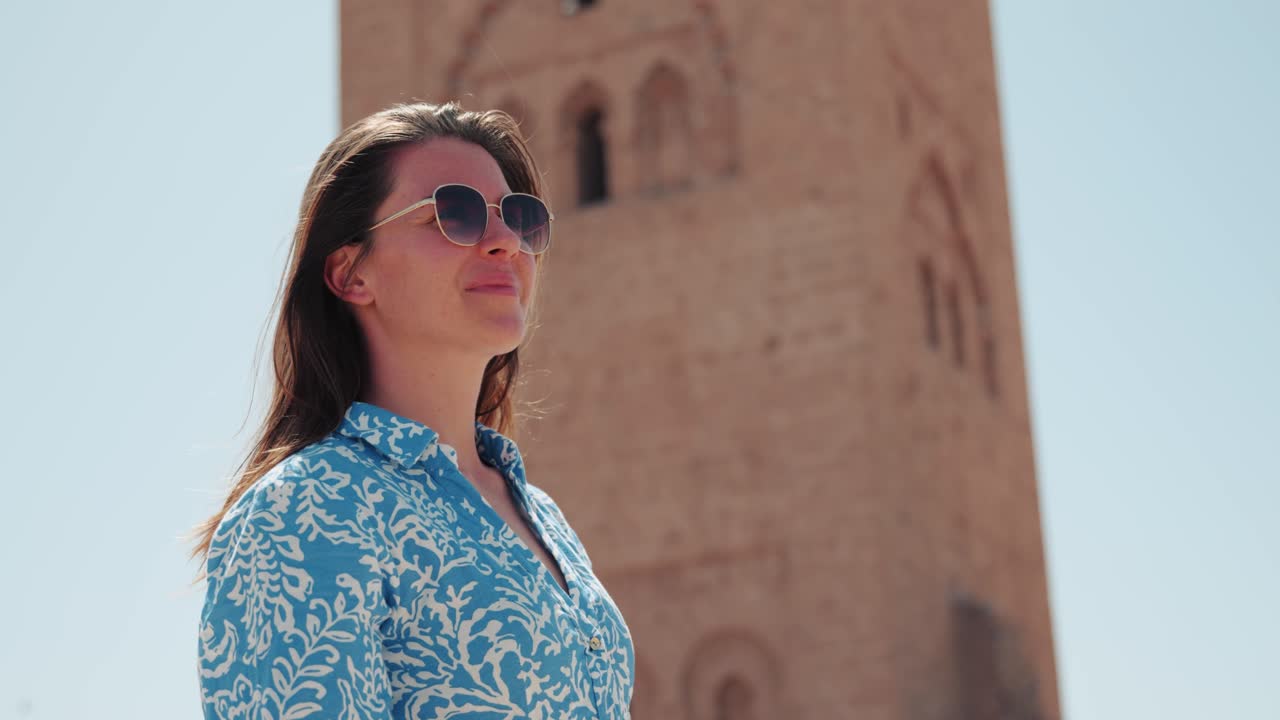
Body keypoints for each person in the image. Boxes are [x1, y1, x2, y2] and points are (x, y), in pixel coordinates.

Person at [189, 101, 635, 719]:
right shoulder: (309, 508)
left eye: (521, 219)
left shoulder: (542, 516)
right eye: (455, 214)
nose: (506, 242)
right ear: (351, 274)